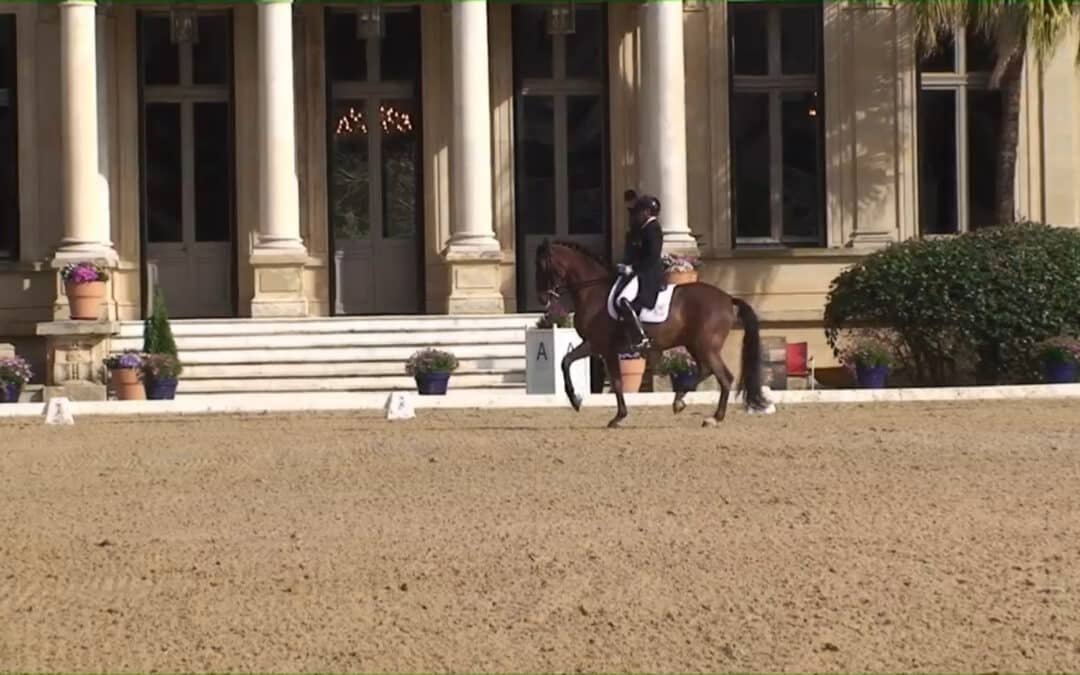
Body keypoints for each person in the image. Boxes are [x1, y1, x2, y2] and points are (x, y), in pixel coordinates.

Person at [615, 193, 663, 352]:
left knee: (624, 299)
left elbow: (652, 256)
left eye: (639, 212)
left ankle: (640, 336)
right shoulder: (642, 229)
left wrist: (632, 268)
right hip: (639, 272)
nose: (636, 215)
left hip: (647, 275)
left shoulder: (653, 229)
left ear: (647, 212)